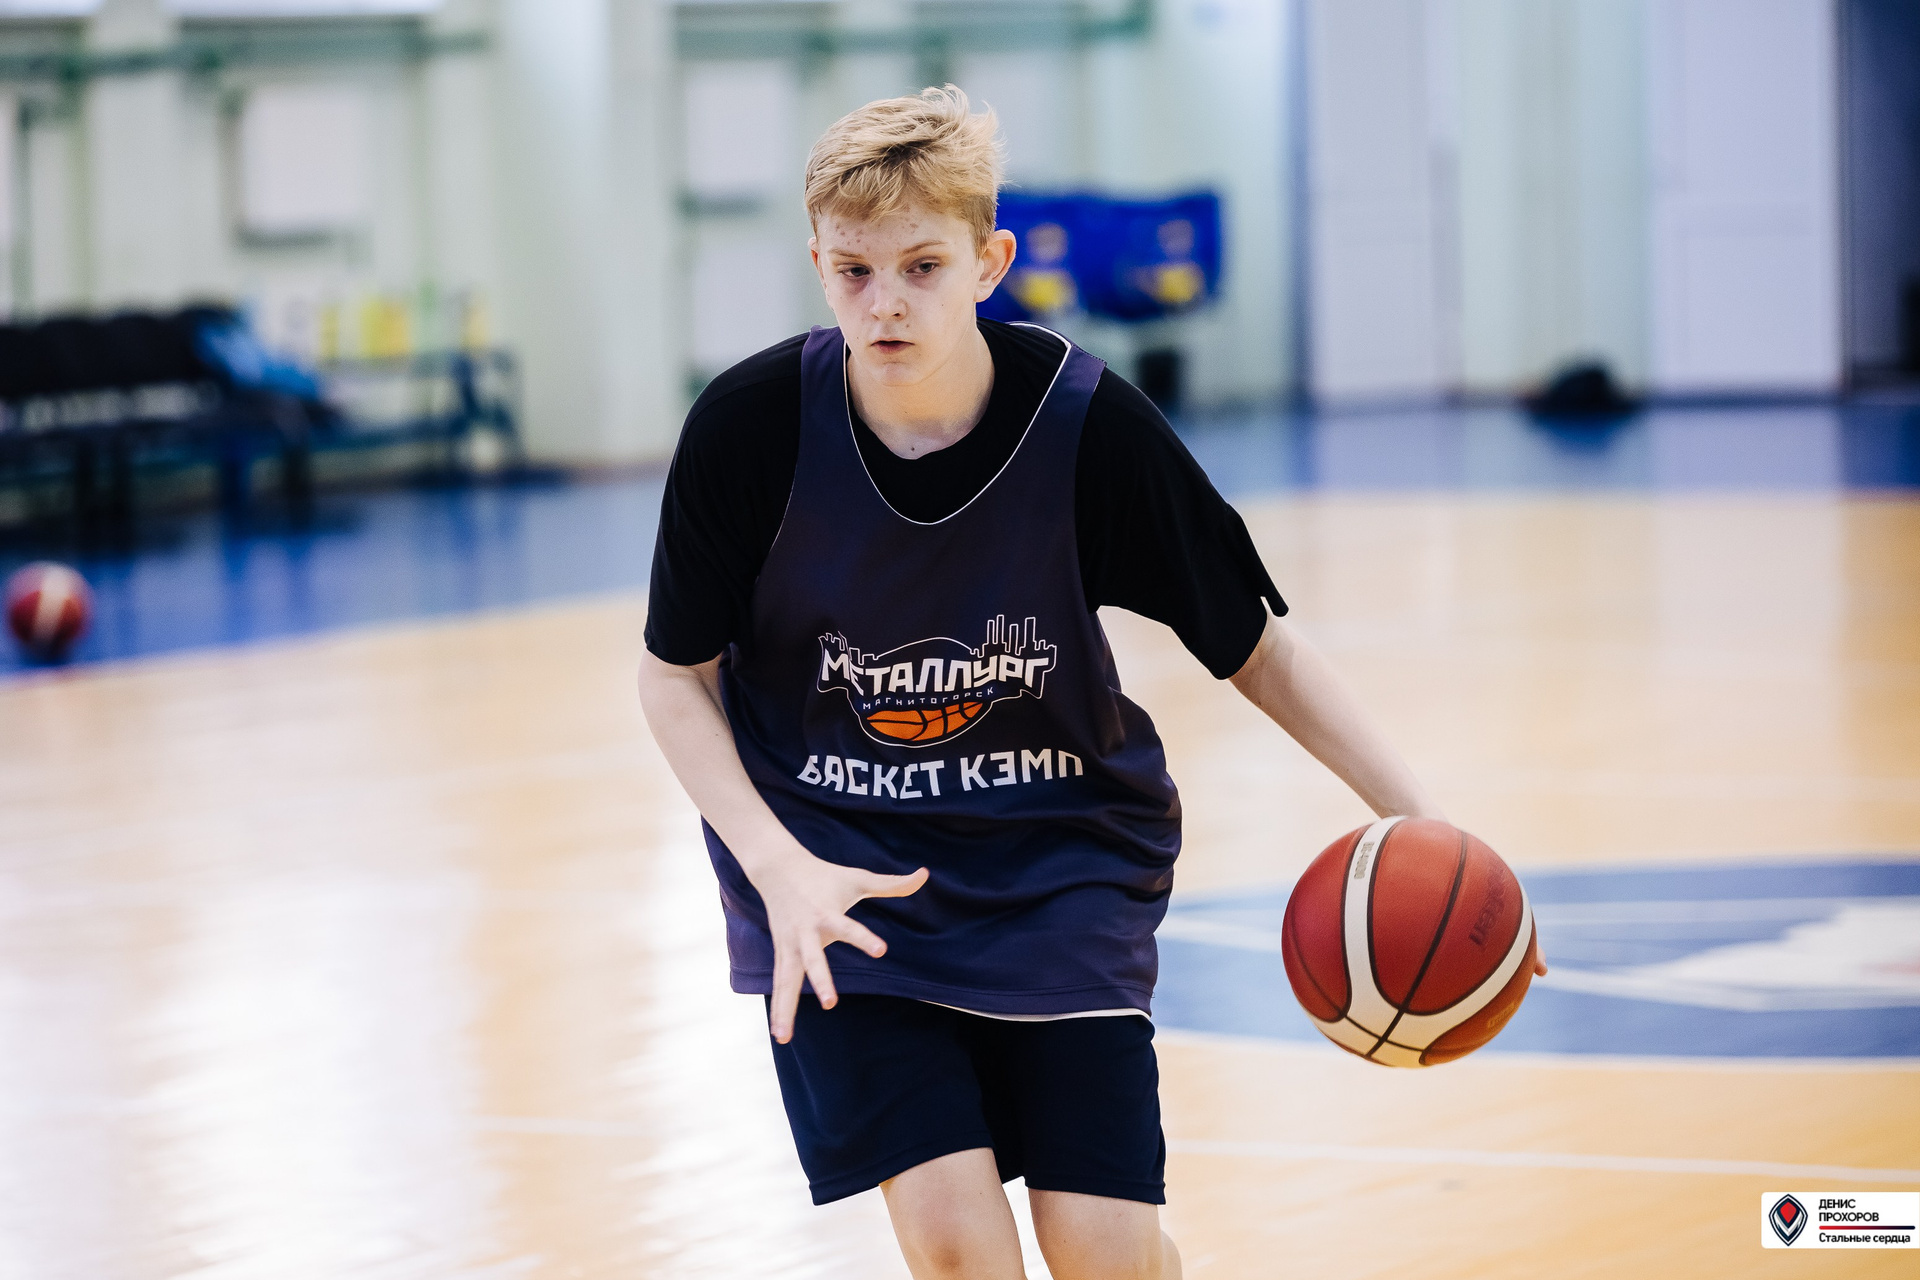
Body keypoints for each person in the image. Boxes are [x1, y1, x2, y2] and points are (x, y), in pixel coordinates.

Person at [637, 85, 1544, 1280]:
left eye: (922, 266)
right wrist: (775, 863)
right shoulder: (749, 429)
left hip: (1056, 872)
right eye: (854, 271)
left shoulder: (1089, 429)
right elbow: (673, 675)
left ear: (990, 262)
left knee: (1103, 1250)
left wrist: (1424, 821)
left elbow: (1258, 646)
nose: (886, 301)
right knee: (958, 1246)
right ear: (818, 264)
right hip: (840, 882)